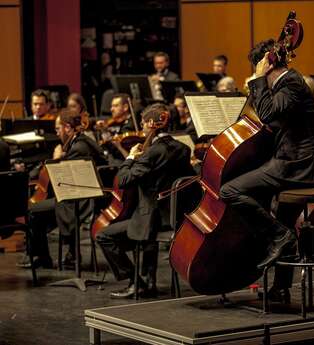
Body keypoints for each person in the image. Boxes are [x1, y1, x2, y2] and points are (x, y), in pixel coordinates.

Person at [219, 39, 314, 299]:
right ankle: (280, 288)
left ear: (267, 64)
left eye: (258, 68)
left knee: (230, 190)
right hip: (295, 162)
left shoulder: (290, 82)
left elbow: (268, 113)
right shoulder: (288, 84)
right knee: (283, 214)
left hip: (300, 166)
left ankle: (279, 237)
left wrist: (258, 78)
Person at [96, 103, 196, 299]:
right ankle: (147, 281)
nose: (141, 127)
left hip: (151, 219)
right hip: (174, 216)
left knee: (104, 236)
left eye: (143, 123)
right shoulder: (183, 148)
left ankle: (136, 281)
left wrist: (131, 157)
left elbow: (124, 180)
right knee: (143, 222)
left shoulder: (152, 152)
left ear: (152, 123)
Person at [18, 109, 106, 268]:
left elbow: (64, 176)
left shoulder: (79, 147)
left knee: (32, 210)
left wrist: (56, 159)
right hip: (83, 193)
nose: (57, 133)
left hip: (83, 197)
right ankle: (67, 253)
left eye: (58, 129)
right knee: (44, 208)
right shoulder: (82, 141)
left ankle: (42, 256)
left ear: (67, 127)